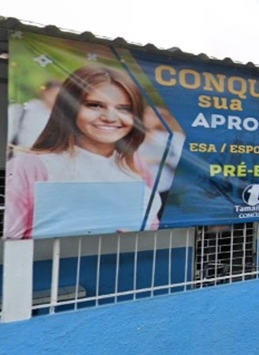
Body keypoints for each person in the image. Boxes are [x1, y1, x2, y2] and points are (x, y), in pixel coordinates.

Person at [5, 65, 160, 239]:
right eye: (94, 105)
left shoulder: (135, 164)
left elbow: (152, 227)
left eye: (124, 108)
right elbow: (10, 240)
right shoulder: (30, 167)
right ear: (70, 108)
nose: (110, 117)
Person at [138, 106, 186, 219]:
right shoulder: (132, 136)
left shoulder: (173, 138)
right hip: (137, 189)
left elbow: (180, 162)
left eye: (152, 115)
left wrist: (156, 159)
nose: (147, 117)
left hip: (163, 189)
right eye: (145, 113)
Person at [8, 80, 62, 150]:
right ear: (45, 92)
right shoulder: (23, 110)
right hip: (18, 156)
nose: (55, 98)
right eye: (52, 94)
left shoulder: (63, 119)